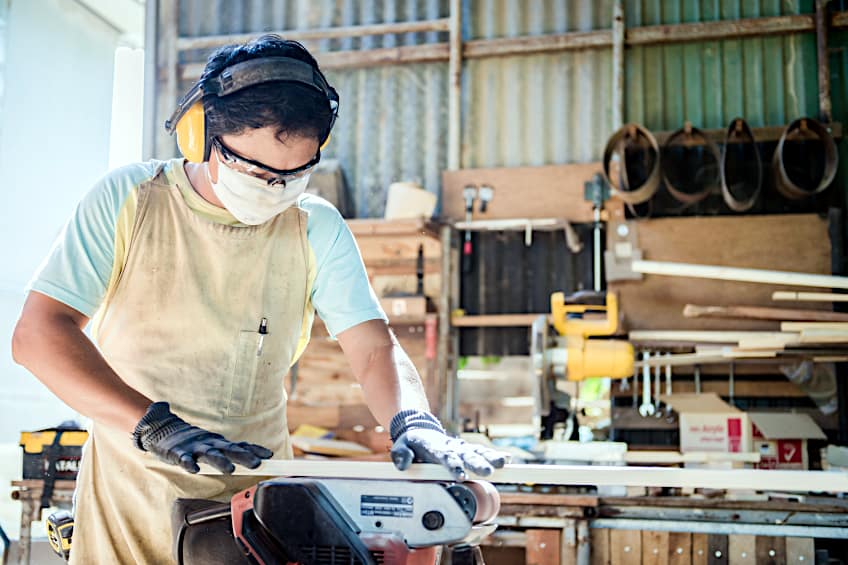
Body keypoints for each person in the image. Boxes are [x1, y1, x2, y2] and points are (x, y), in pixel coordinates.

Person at [12, 35, 508, 564]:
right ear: (201, 136)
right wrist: (155, 426)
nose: (276, 189)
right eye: (258, 172)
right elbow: (39, 335)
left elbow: (372, 349)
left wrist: (413, 420)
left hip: (258, 516)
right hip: (131, 498)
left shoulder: (314, 227)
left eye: (295, 174)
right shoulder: (130, 201)